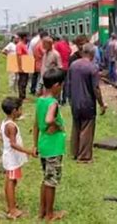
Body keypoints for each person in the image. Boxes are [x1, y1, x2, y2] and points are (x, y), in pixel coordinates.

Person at [0, 97, 35, 219]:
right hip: (12, 158)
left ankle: (11, 204)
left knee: (12, 180)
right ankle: (12, 209)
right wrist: (29, 151)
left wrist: (4, 139)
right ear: (15, 110)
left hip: (9, 157)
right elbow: (14, 144)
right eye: (20, 109)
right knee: (11, 181)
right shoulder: (12, 126)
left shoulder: (5, 122)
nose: (21, 111)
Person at [33, 68, 67, 221]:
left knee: (45, 179)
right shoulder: (53, 103)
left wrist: (34, 145)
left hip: (43, 145)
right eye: (61, 85)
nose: (62, 88)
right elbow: (47, 120)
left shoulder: (40, 100)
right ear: (56, 85)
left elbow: (35, 124)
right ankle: (50, 214)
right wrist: (58, 125)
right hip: (53, 147)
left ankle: (42, 211)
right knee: (51, 182)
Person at [67, 43, 107, 163]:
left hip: (74, 101)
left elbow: (68, 83)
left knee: (76, 127)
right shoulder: (92, 67)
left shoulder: (73, 65)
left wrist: (70, 99)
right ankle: (84, 156)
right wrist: (101, 104)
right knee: (87, 128)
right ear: (93, 53)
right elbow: (96, 88)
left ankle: (74, 152)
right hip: (87, 102)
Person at [54, 36, 72, 105]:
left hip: (59, 67)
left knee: (58, 84)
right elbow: (70, 51)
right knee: (65, 84)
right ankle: (64, 100)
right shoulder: (66, 45)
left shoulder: (57, 45)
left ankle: (58, 100)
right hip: (66, 67)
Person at [15, 32, 30, 100]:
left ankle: (23, 95)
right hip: (23, 66)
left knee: (25, 80)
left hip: (25, 65)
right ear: (24, 37)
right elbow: (19, 56)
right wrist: (20, 67)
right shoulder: (20, 45)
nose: (28, 38)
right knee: (22, 81)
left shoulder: (23, 44)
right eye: (27, 36)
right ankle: (21, 96)